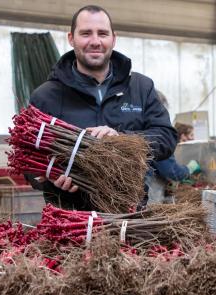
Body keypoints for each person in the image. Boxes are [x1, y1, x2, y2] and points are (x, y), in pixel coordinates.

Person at [27, 5, 177, 209]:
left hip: (129, 218)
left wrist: (121, 139)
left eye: (102, 34)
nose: (95, 41)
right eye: (86, 33)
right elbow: (26, 157)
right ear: (71, 38)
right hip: (66, 223)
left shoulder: (141, 87)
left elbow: (166, 137)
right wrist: (48, 175)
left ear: (113, 39)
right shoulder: (46, 96)